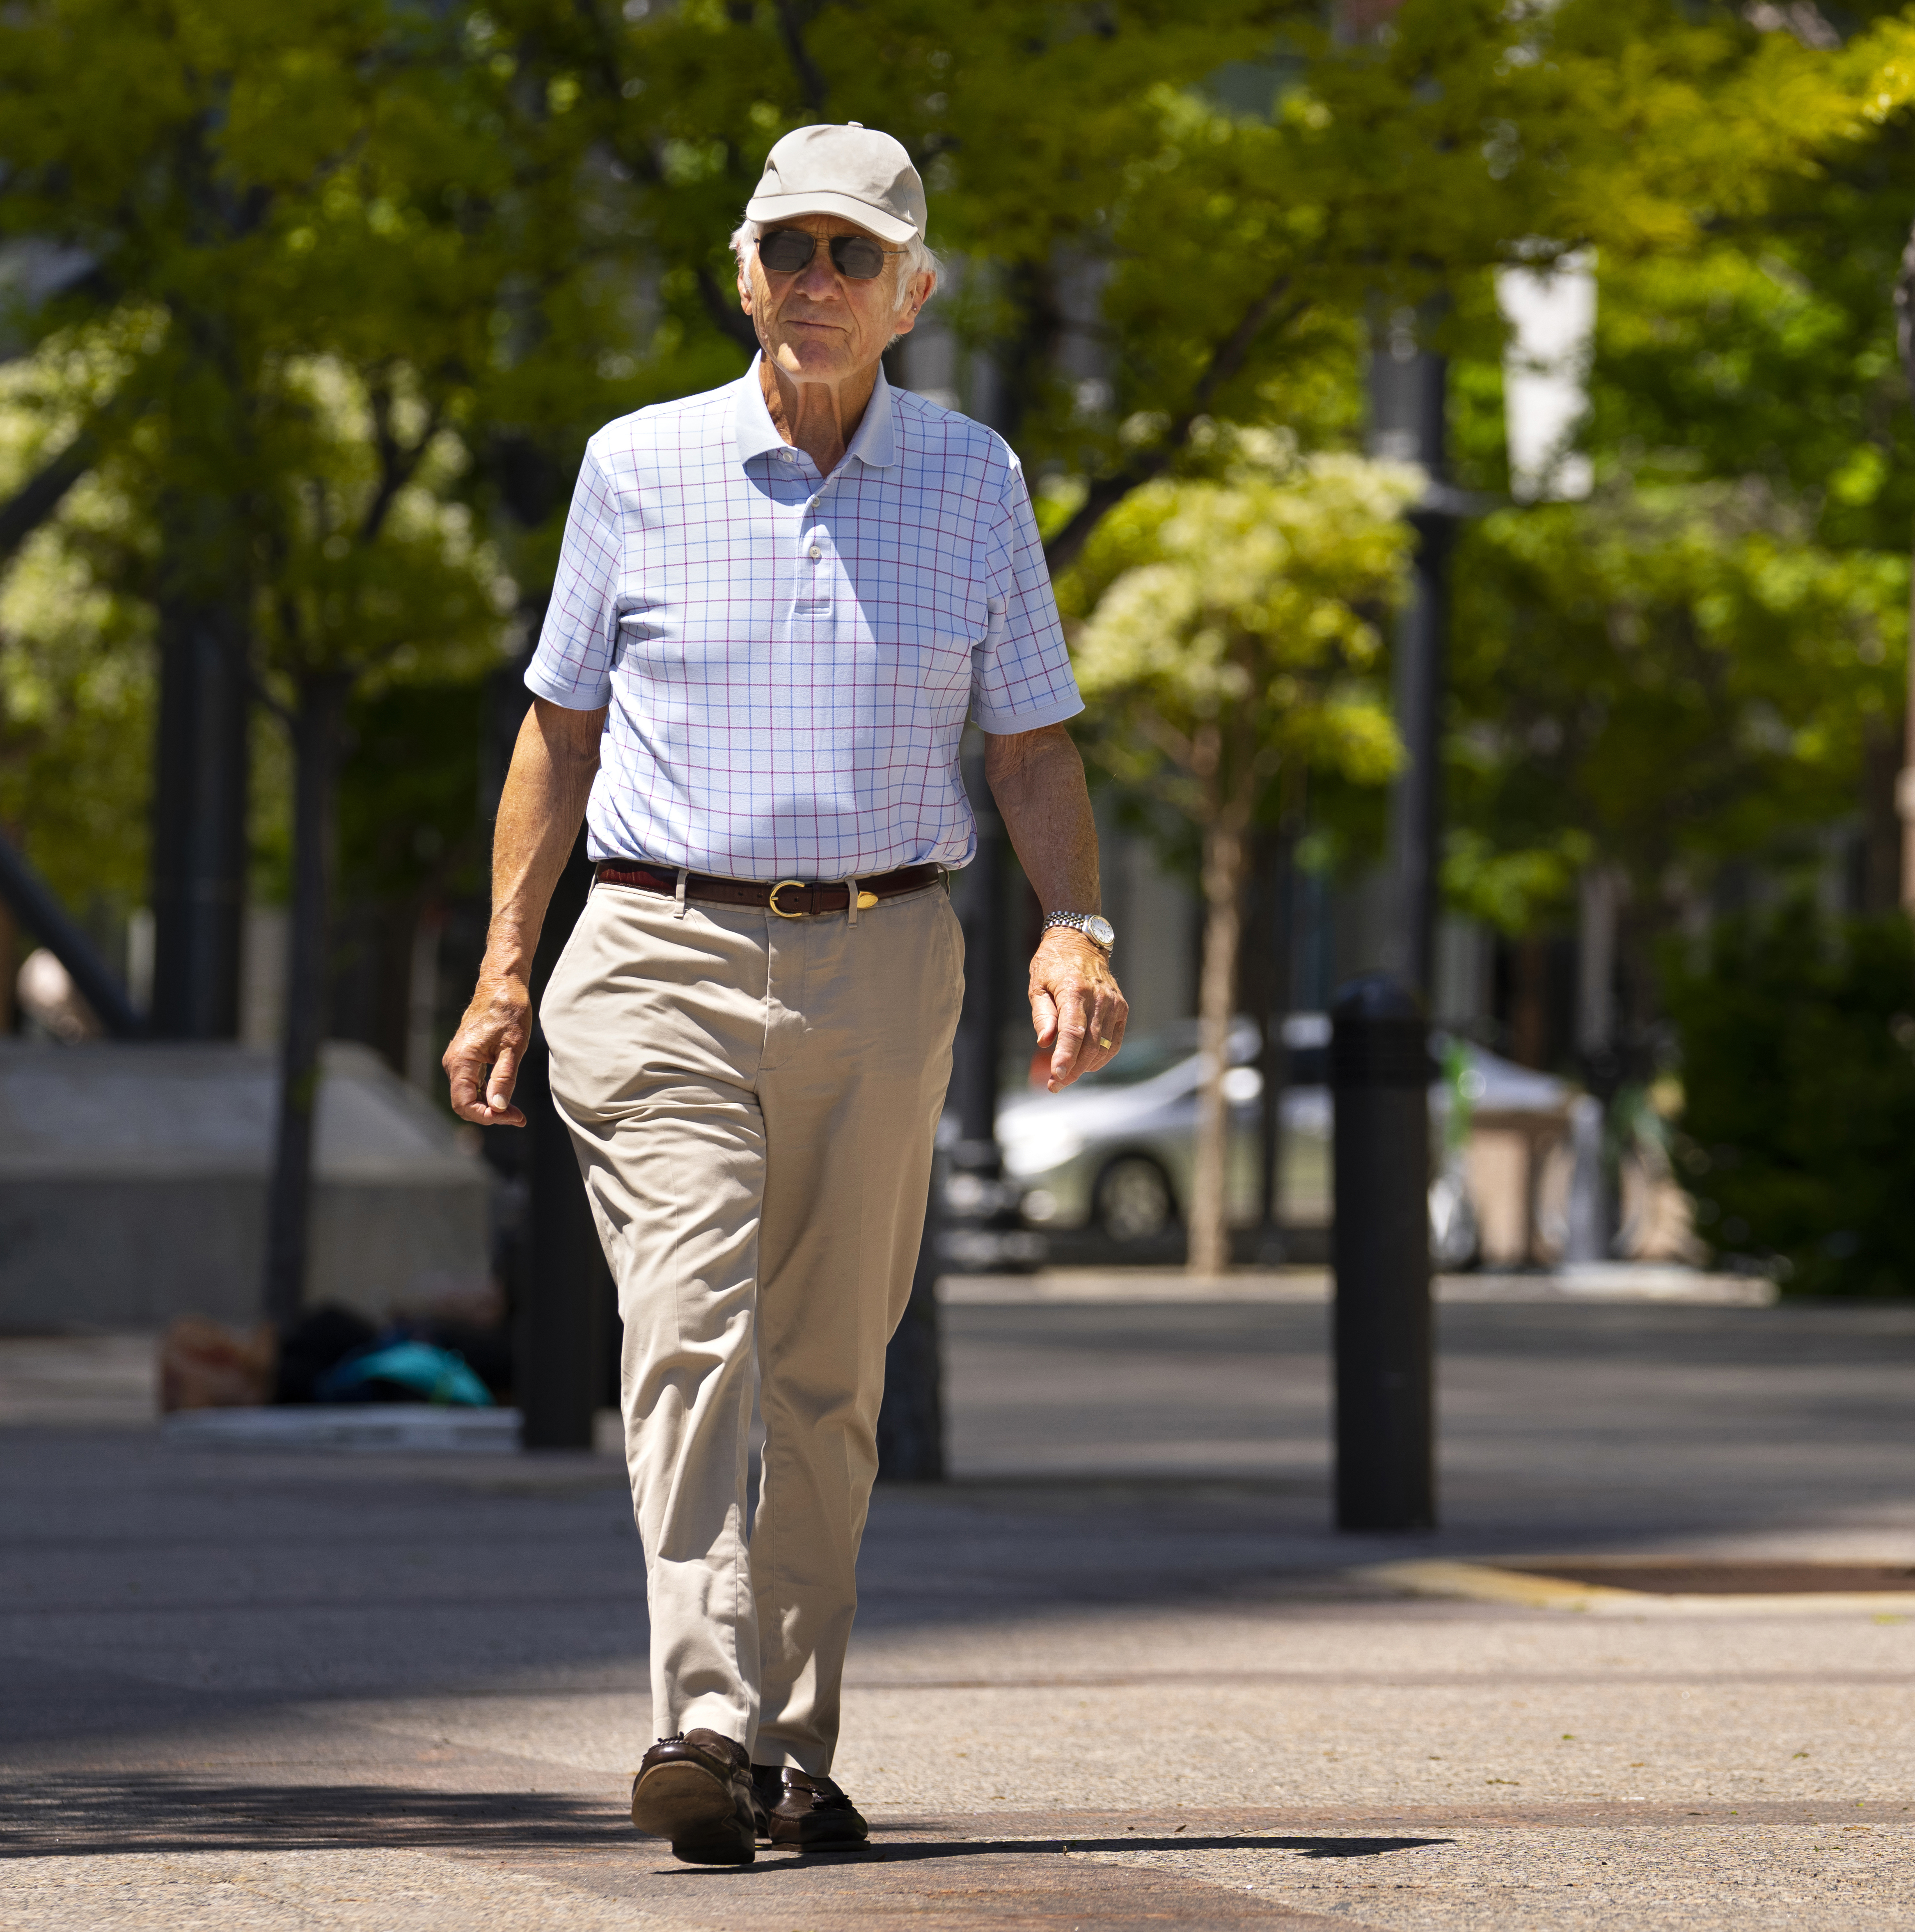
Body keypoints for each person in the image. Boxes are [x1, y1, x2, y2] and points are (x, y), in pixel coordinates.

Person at [442, 122, 1127, 1866]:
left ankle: (790, 1751)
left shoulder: (974, 478)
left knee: (827, 1375)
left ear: (913, 292)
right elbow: (559, 730)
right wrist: (506, 966)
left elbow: (1032, 743)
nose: (816, 279)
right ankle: (700, 1717)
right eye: (787, 249)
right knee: (688, 1328)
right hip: (656, 950)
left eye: (852, 253)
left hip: (887, 961)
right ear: (742, 277)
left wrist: (1077, 925)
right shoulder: (637, 465)